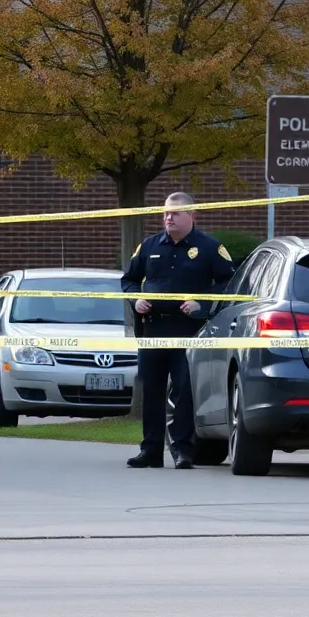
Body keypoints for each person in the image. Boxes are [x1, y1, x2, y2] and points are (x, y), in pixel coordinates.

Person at [120, 192, 235, 470]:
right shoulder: (149, 246)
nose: (168, 218)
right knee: (152, 390)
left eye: (175, 213)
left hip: (189, 330)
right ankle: (149, 450)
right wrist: (136, 299)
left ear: (192, 215)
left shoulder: (209, 247)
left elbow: (229, 281)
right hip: (154, 328)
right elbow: (129, 280)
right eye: (165, 214)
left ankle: (183, 451)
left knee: (184, 391)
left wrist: (202, 301)